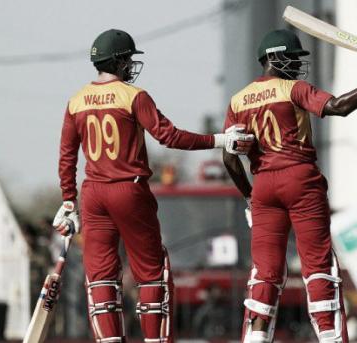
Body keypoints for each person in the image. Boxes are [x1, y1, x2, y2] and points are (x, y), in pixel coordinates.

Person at [52, 29, 254, 343]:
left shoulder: (76, 101)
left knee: (101, 277)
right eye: (128, 59)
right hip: (128, 190)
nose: (131, 65)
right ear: (118, 61)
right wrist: (220, 139)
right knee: (152, 272)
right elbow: (168, 136)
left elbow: (67, 155)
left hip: (92, 194)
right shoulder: (133, 96)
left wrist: (68, 202)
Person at [222, 29, 357, 343]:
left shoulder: (238, 100)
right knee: (317, 265)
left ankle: (255, 337)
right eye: (292, 58)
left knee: (265, 271)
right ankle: (329, 337)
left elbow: (229, 160)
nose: (296, 64)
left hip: (263, 186)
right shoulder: (293, 89)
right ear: (275, 57)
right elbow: (340, 106)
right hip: (300, 179)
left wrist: (250, 197)